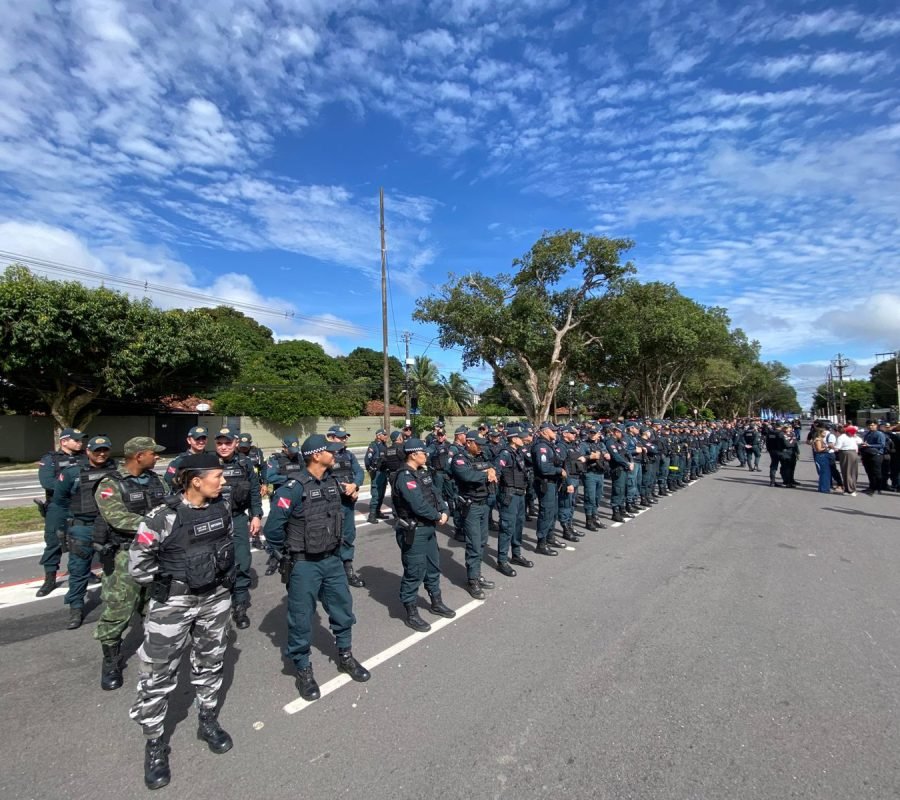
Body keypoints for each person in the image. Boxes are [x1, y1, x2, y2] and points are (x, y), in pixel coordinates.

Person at [128, 452, 236, 790]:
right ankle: (156, 742)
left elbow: (226, 543)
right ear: (195, 480)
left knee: (210, 662)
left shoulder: (222, 508)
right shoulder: (161, 518)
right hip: (173, 604)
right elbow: (138, 566)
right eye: (217, 476)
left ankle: (207, 720)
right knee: (158, 674)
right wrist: (174, 584)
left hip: (215, 597)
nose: (223, 481)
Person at [263, 434, 370, 702]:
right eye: (330, 451)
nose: (336, 454)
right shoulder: (293, 488)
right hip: (304, 565)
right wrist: (286, 555)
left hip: (332, 560)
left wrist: (353, 492)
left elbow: (344, 510)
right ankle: (303, 669)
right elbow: (273, 529)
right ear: (315, 455)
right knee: (301, 620)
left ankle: (345, 655)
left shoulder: (333, 483)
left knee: (342, 611)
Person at [92, 437, 168, 691]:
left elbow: (170, 505)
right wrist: (156, 524)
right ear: (138, 456)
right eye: (152, 453)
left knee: (155, 604)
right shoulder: (110, 484)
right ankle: (111, 660)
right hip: (125, 555)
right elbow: (117, 518)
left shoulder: (157, 480)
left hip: (155, 553)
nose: (156, 457)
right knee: (119, 610)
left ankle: (154, 654)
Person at [390, 438, 455, 631]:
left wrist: (444, 510)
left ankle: (436, 602)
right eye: (423, 452)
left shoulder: (422, 473)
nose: (426, 455)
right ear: (413, 454)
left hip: (428, 528)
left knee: (433, 567)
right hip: (414, 530)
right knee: (414, 571)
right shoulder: (404, 477)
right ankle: (411, 612)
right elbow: (417, 504)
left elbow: (435, 492)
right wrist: (437, 516)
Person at [53, 435, 117, 629]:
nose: (101, 454)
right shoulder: (73, 473)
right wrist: (64, 528)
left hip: (109, 527)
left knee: (114, 569)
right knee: (79, 570)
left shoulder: (116, 470)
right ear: (88, 451)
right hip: (83, 528)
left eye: (105, 450)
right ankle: (76, 608)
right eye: (97, 451)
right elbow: (60, 500)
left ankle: (117, 606)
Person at [214, 426, 262, 629]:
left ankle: (240, 605)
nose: (223, 447)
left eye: (227, 443)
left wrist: (256, 516)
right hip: (214, 521)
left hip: (238, 518)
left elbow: (253, 491)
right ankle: (214, 605)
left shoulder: (245, 464)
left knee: (242, 560)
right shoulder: (206, 463)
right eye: (219, 443)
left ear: (235, 444)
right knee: (213, 562)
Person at [35, 427, 87, 597]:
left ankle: (82, 570)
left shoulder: (85, 457)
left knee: (81, 540)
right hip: (58, 506)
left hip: (80, 505)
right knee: (54, 541)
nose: (80, 443)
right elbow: (48, 482)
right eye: (76, 440)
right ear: (64, 441)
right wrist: (73, 486)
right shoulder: (50, 459)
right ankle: (50, 578)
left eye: (81, 440)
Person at [451, 429, 498, 598]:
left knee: (482, 542)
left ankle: (477, 575)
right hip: (471, 507)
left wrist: (491, 470)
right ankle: (473, 581)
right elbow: (467, 476)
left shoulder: (482, 456)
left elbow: (492, 466)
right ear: (469, 442)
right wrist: (486, 474)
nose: (482, 448)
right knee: (474, 544)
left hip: (484, 504)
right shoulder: (459, 459)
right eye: (478, 445)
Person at [326, 425, 366, 588]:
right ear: (330, 437)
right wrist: (345, 489)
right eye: (340, 437)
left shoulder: (348, 455)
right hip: (331, 504)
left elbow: (359, 472)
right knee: (330, 537)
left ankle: (348, 570)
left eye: (345, 437)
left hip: (348, 503)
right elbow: (322, 479)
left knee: (348, 536)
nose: (344, 440)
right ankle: (330, 574)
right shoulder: (325, 455)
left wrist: (354, 486)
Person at [493, 425, 533, 575]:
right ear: (514, 439)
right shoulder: (505, 453)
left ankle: (516, 555)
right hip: (509, 495)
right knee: (507, 528)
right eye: (521, 437)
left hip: (520, 494)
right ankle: (502, 560)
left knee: (518, 526)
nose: (524, 439)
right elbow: (496, 470)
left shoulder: (518, 452)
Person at [531, 422, 566, 555]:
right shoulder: (541, 447)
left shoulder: (549, 445)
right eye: (553, 430)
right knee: (546, 513)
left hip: (553, 483)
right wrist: (559, 470)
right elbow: (543, 468)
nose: (556, 432)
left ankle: (550, 537)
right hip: (546, 483)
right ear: (545, 431)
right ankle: (541, 543)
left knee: (553, 512)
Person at [237, 433, 266, 548]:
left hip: (253, 487)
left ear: (250, 443)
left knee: (255, 512)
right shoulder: (234, 454)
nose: (243, 448)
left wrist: (264, 483)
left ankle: (256, 537)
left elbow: (263, 468)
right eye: (241, 445)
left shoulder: (257, 453)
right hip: (238, 489)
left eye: (246, 445)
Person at [364, 428, 389, 523]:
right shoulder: (373, 446)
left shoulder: (384, 445)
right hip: (377, 473)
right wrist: (371, 470)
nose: (386, 436)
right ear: (378, 436)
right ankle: (372, 515)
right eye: (384, 434)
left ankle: (378, 512)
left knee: (382, 494)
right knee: (376, 495)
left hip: (383, 472)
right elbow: (367, 460)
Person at [860, 421, 887, 494]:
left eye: (872, 425)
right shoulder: (867, 434)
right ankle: (871, 487)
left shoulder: (879, 434)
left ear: (876, 425)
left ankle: (878, 487)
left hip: (876, 455)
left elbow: (882, 445)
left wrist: (869, 445)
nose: (870, 427)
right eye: (869, 425)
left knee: (876, 472)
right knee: (869, 472)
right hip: (867, 454)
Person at [834, 424, 861, 495]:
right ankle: (851, 488)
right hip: (854, 453)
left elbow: (837, 447)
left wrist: (830, 446)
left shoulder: (841, 437)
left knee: (846, 472)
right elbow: (860, 441)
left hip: (845, 453)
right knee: (853, 472)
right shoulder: (854, 437)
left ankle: (850, 490)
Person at [810, 427, 832, 493]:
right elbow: (818, 449)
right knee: (824, 473)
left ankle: (823, 487)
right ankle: (824, 488)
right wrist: (827, 447)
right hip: (821, 456)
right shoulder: (818, 440)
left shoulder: (821, 439)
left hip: (824, 455)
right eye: (824, 433)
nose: (825, 434)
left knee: (826, 473)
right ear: (820, 433)